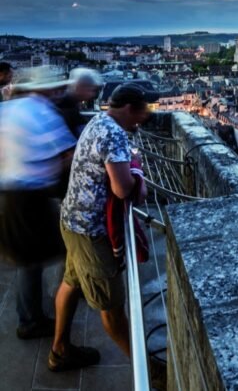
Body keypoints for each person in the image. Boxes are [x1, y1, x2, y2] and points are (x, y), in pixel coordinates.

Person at [50, 84, 153, 371]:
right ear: (130, 109)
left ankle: (59, 350)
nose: (143, 119)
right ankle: (151, 373)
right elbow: (124, 190)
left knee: (70, 284)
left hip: (71, 219)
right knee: (112, 308)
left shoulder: (98, 120)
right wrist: (139, 178)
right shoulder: (115, 133)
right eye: (142, 112)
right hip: (91, 231)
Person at [0, 66, 78, 341]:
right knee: (45, 255)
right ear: (44, 90)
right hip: (32, 198)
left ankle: (31, 315)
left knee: (28, 260)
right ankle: (33, 320)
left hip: (10, 195)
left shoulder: (9, 109)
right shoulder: (41, 111)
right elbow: (69, 154)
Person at [57, 68, 103, 137]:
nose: (92, 94)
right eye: (91, 89)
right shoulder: (66, 108)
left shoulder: (71, 104)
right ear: (79, 87)